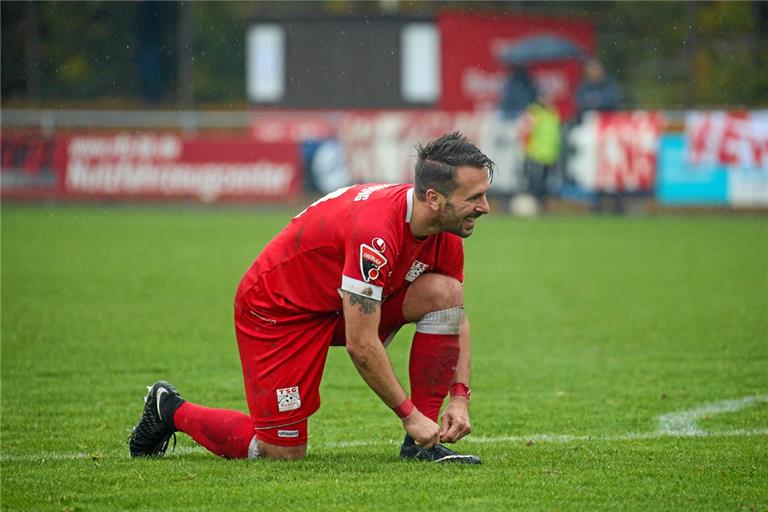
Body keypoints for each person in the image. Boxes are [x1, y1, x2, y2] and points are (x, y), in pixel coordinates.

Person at [128, 132, 496, 464]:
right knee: (282, 453)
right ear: (433, 198)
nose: (485, 207)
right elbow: (362, 344)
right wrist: (407, 413)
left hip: (339, 305)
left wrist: (459, 398)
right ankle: (169, 410)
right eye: (474, 197)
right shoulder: (376, 233)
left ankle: (422, 445)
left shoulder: (444, 231)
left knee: (445, 292)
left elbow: (455, 314)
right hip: (279, 312)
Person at [520, 90, 561, 213]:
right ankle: (535, 209)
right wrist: (528, 151)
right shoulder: (534, 112)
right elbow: (525, 133)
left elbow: (555, 135)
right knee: (535, 185)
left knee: (546, 186)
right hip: (536, 155)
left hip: (550, 156)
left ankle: (543, 209)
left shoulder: (553, 112)